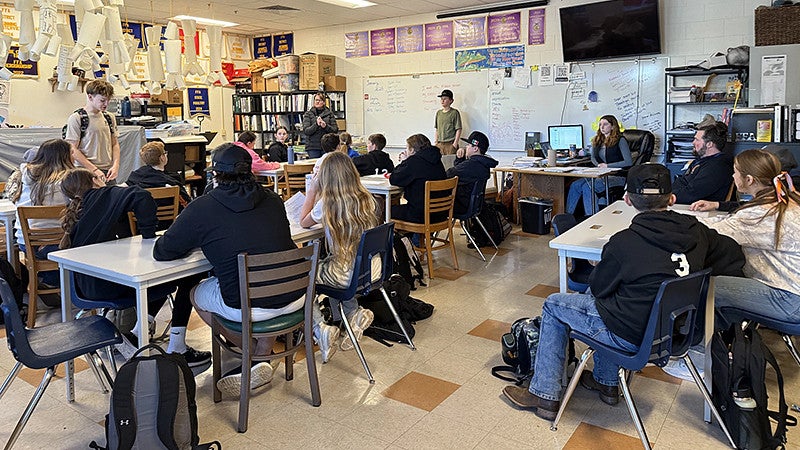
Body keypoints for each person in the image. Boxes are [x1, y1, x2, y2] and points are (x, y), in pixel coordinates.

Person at [501, 163, 744, 421]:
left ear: (627, 199)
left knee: (554, 304)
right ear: (672, 199)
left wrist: (603, 264)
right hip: (677, 334)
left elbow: (598, 287)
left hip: (631, 336)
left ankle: (545, 395)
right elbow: (732, 255)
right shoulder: (698, 232)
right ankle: (606, 382)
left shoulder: (623, 243)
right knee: (613, 301)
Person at [153, 143, 304, 396]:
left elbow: (164, 250)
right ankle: (262, 355)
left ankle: (255, 354)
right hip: (296, 295)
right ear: (251, 171)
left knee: (196, 293)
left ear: (215, 175)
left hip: (249, 303)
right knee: (259, 289)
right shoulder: (274, 200)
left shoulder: (203, 207)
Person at [59, 168, 211, 368]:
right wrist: (148, 233)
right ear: (94, 182)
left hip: (84, 288)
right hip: (111, 285)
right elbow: (142, 196)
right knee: (187, 275)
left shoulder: (77, 210)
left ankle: (138, 332)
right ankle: (177, 346)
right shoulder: (106, 193)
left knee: (160, 278)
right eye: (98, 176)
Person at [696, 149, 800, 330]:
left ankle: (713, 352)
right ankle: (734, 342)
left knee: (704, 287)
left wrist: (665, 215)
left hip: (790, 301)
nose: (733, 175)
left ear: (749, 179)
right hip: (793, 293)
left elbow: (706, 230)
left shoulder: (758, 216)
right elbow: (742, 211)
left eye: (736, 171)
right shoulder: (789, 200)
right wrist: (718, 205)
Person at [299, 152, 379, 360]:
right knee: (332, 265)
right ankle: (353, 314)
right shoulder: (367, 198)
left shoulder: (328, 203)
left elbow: (304, 221)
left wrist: (313, 190)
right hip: (370, 269)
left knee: (301, 276)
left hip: (346, 274)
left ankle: (319, 327)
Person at [14, 139, 73, 287]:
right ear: (64, 157)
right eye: (72, 153)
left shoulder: (24, 176)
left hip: (26, 244)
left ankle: (50, 282)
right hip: (55, 244)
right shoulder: (66, 181)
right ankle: (61, 285)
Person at [691, 144, 800, 213]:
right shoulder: (785, 193)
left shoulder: (760, 210)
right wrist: (717, 205)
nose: (733, 176)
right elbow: (749, 205)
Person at [565, 115, 632, 216]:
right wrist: (599, 166)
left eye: (605, 124)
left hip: (617, 176)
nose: (602, 127)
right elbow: (593, 158)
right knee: (576, 185)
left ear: (613, 126)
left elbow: (628, 162)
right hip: (600, 174)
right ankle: (567, 216)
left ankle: (591, 218)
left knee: (588, 187)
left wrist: (607, 166)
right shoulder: (597, 140)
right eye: (600, 124)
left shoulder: (620, 140)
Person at [64, 79, 120, 183]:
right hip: (85, 171)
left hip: (107, 171)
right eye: (102, 100)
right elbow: (72, 149)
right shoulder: (77, 118)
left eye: (108, 100)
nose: (106, 104)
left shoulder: (109, 117)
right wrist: (94, 169)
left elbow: (115, 143)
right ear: (90, 97)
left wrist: (116, 165)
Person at [672, 121, 734, 204]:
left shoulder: (717, 167)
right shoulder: (700, 161)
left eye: (697, 140)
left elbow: (692, 193)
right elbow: (681, 182)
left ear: (709, 144)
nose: (693, 142)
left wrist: (667, 197)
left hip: (702, 210)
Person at [389, 133, 447, 223]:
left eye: (407, 148)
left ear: (412, 150)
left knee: (385, 211)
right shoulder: (437, 160)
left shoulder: (414, 161)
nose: (406, 151)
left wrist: (404, 161)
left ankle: (387, 236)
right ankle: (411, 236)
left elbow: (394, 179)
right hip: (441, 214)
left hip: (420, 215)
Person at [125, 141, 192, 210]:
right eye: (165, 153)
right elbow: (187, 204)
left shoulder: (136, 176)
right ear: (162, 158)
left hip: (143, 218)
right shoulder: (173, 180)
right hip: (170, 218)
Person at [446, 131, 498, 216]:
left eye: (468, 145)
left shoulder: (471, 164)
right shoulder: (482, 163)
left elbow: (449, 174)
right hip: (473, 205)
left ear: (475, 148)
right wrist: (460, 158)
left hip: (461, 206)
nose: (466, 147)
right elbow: (461, 172)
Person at [302, 93, 339, 158]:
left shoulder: (329, 114)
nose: (317, 102)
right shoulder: (308, 114)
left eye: (320, 100)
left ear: (324, 102)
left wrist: (325, 126)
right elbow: (306, 131)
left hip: (327, 146)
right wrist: (316, 124)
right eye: (316, 100)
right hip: (313, 147)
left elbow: (335, 130)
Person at [434, 89, 462, 155]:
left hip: (450, 144)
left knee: (450, 163)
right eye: (441, 99)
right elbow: (437, 129)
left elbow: (458, 129)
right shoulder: (439, 113)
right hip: (440, 144)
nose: (442, 101)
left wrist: (455, 143)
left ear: (451, 101)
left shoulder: (454, 112)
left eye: (445, 99)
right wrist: (436, 142)